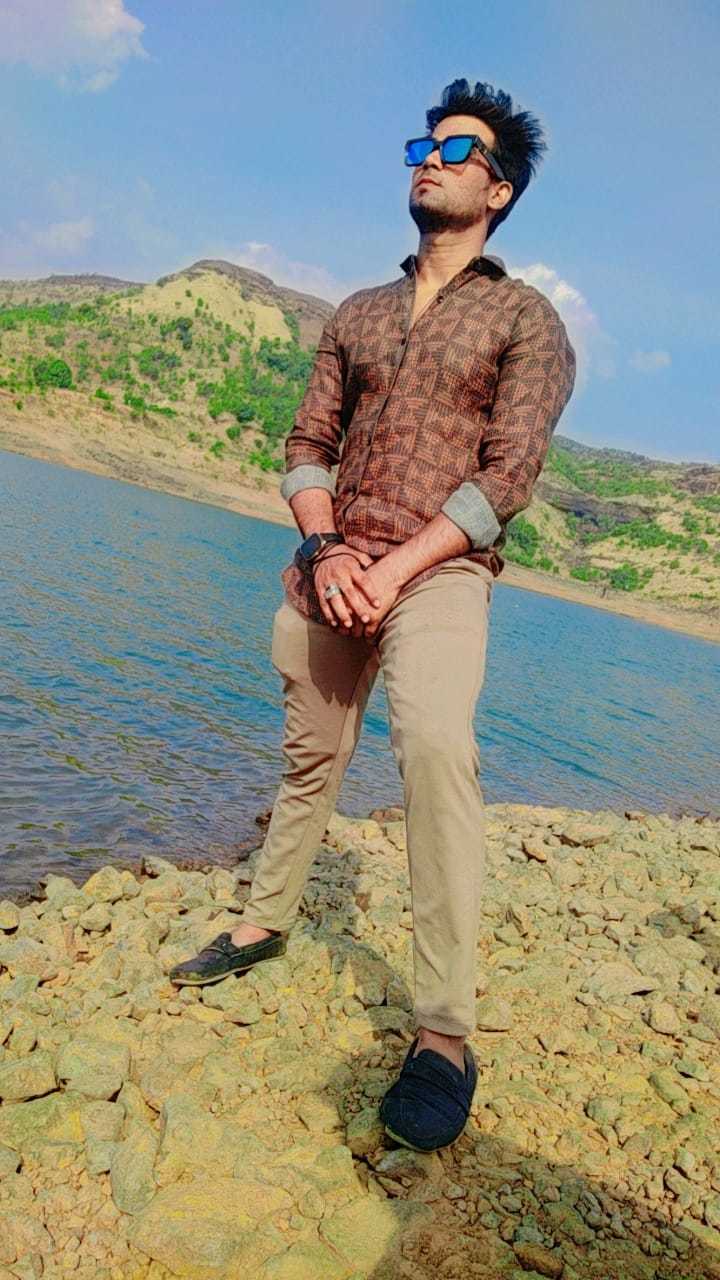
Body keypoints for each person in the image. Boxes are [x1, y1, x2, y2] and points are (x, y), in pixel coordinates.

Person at [171, 77, 577, 1152]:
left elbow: (509, 475)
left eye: (458, 149)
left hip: (438, 571)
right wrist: (327, 547)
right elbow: (306, 444)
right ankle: (264, 920)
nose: (430, 159)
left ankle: (445, 1033)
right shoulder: (354, 313)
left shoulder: (527, 320)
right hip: (333, 562)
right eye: (423, 145)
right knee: (311, 756)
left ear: (499, 188)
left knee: (436, 750)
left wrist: (394, 568)